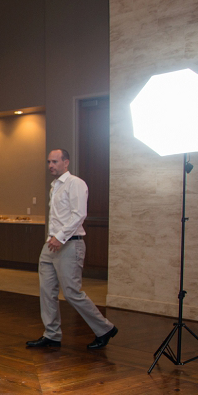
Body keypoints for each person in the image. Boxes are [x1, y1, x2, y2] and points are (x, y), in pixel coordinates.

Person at [27, 149, 118, 350]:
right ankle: (51, 334)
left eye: (55, 161)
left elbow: (79, 215)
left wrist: (59, 237)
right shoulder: (54, 187)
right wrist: (52, 238)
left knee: (71, 292)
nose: (51, 165)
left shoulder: (75, 183)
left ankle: (104, 329)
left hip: (70, 244)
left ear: (66, 162)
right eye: (49, 162)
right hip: (50, 245)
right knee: (46, 291)